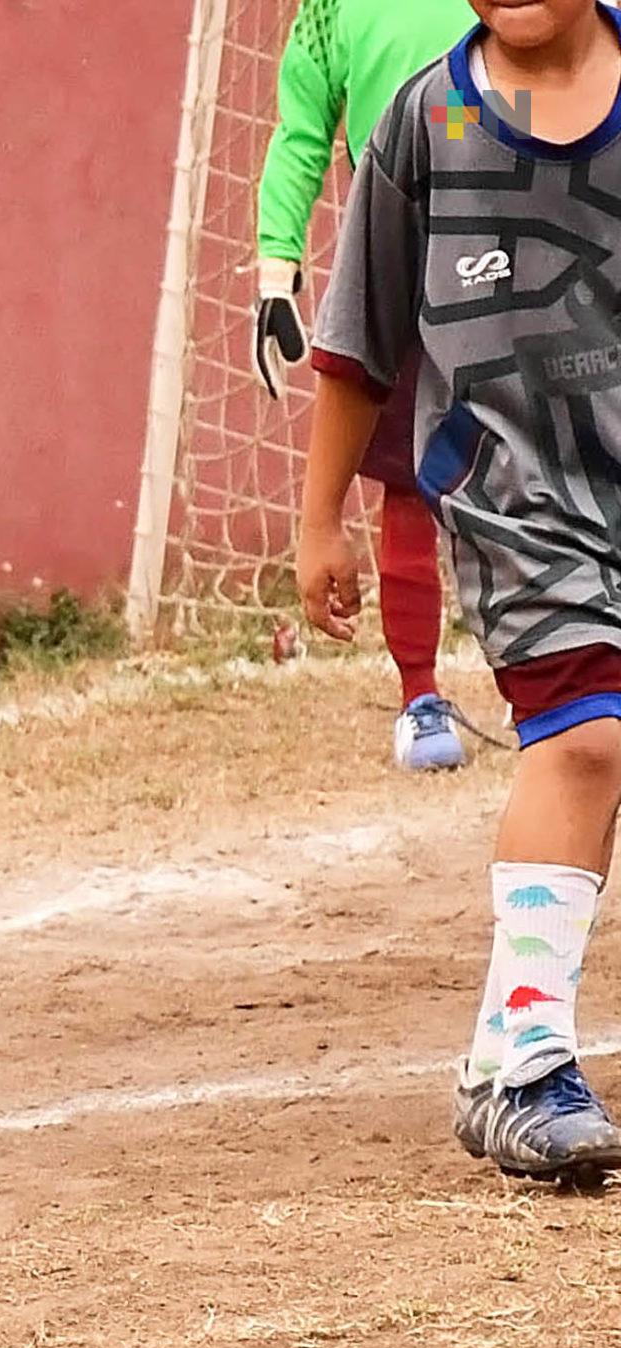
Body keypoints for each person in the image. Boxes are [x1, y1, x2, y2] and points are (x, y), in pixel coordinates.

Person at [302, 0, 621, 1178]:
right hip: (515, 498)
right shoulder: (424, 121)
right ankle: (531, 1065)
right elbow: (356, 344)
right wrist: (318, 518)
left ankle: (497, 1060)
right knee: (585, 741)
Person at [257, 0, 478, 769]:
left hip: (517, 232)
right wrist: (274, 270)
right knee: (411, 482)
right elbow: (301, 131)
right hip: (398, 254)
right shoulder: (329, 7)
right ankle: (421, 695)